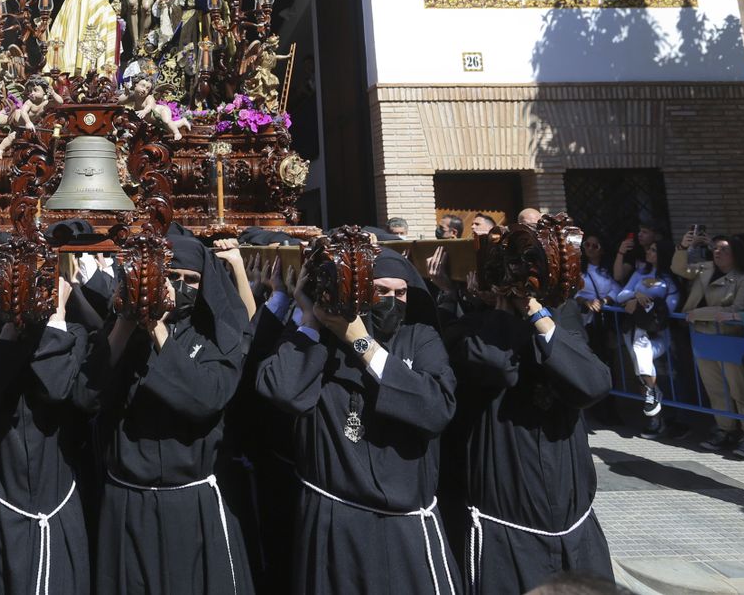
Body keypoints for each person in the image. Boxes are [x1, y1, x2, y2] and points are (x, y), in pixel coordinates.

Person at [255, 247, 460, 595]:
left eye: (400, 292)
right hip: (335, 523)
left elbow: (436, 408)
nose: (392, 300)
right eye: (381, 291)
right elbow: (283, 390)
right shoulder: (323, 341)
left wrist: (362, 343)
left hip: (405, 525)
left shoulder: (420, 338)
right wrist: (311, 319)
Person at [85, 234, 254, 595]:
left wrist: (158, 328)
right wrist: (128, 322)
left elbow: (205, 399)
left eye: (190, 280)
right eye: (169, 275)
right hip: (127, 498)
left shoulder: (216, 338)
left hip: (191, 502)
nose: (178, 287)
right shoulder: (121, 331)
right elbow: (88, 393)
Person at [443, 286, 613, 593]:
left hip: (572, 523)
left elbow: (593, 383)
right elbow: (497, 366)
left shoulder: (560, 317)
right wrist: (503, 312)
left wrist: (537, 313)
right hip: (506, 529)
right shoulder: (468, 327)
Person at [0, 260, 92, 595]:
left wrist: (56, 316)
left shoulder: (69, 334)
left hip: (55, 502)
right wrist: (9, 334)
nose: (11, 301)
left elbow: (57, 388)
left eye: (19, 292)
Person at [671, 232, 744, 457]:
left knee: (739, 388)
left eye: (724, 250)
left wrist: (698, 313)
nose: (717, 253)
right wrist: (683, 248)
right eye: (716, 249)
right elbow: (679, 269)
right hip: (703, 335)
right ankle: (725, 428)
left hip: (730, 338)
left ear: (737, 254)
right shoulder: (706, 268)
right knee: (715, 388)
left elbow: (738, 311)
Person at [614, 233, 679, 436]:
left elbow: (670, 308)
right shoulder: (640, 273)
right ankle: (654, 419)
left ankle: (653, 396)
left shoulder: (669, 281)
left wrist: (647, 305)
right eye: (649, 249)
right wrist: (635, 295)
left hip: (657, 333)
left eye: (653, 250)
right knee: (641, 371)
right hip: (634, 329)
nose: (649, 252)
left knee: (641, 354)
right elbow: (621, 294)